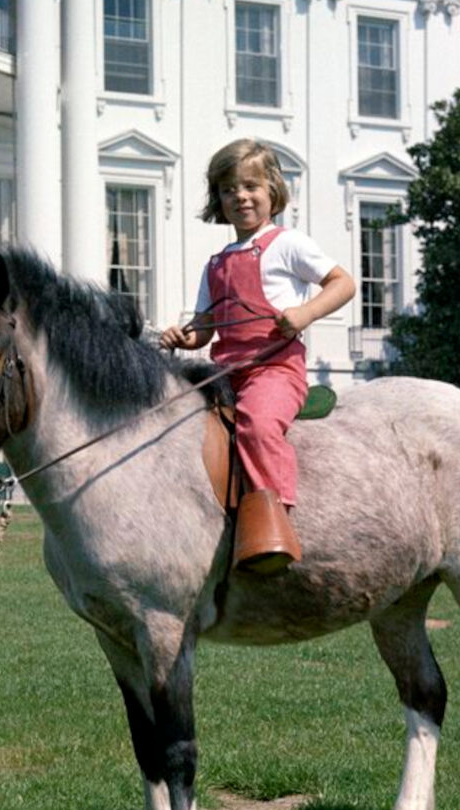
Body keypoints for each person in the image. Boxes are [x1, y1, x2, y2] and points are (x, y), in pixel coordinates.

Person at [161, 138, 355, 574]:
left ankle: (274, 523)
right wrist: (183, 337)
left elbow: (343, 283)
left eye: (250, 186)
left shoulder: (288, 244)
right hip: (223, 372)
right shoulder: (216, 263)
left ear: (272, 191)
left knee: (257, 425)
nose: (240, 197)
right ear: (219, 199)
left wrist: (304, 313)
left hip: (275, 369)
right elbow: (204, 330)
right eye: (229, 189)